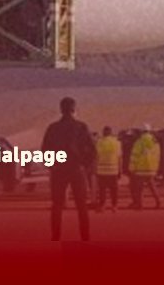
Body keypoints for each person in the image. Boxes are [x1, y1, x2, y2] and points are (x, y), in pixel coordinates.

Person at [41, 96, 96, 241]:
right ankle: (85, 237)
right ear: (74, 109)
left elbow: (45, 149)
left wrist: (52, 165)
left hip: (59, 169)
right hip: (76, 169)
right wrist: (85, 164)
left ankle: (55, 237)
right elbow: (92, 149)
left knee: (57, 205)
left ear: (61, 110)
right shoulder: (81, 127)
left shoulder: (53, 128)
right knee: (81, 205)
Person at [128, 125, 162, 210]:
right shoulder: (155, 141)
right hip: (151, 168)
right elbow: (157, 155)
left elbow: (135, 156)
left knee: (139, 188)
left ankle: (140, 205)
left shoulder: (139, 141)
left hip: (141, 167)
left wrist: (132, 168)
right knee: (152, 186)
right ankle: (158, 202)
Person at [94, 126, 122, 211]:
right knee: (114, 189)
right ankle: (114, 205)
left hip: (101, 169)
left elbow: (96, 156)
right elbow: (120, 157)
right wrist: (120, 169)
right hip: (113, 169)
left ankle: (102, 205)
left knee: (102, 189)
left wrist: (95, 169)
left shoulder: (99, 142)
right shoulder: (117, 143)